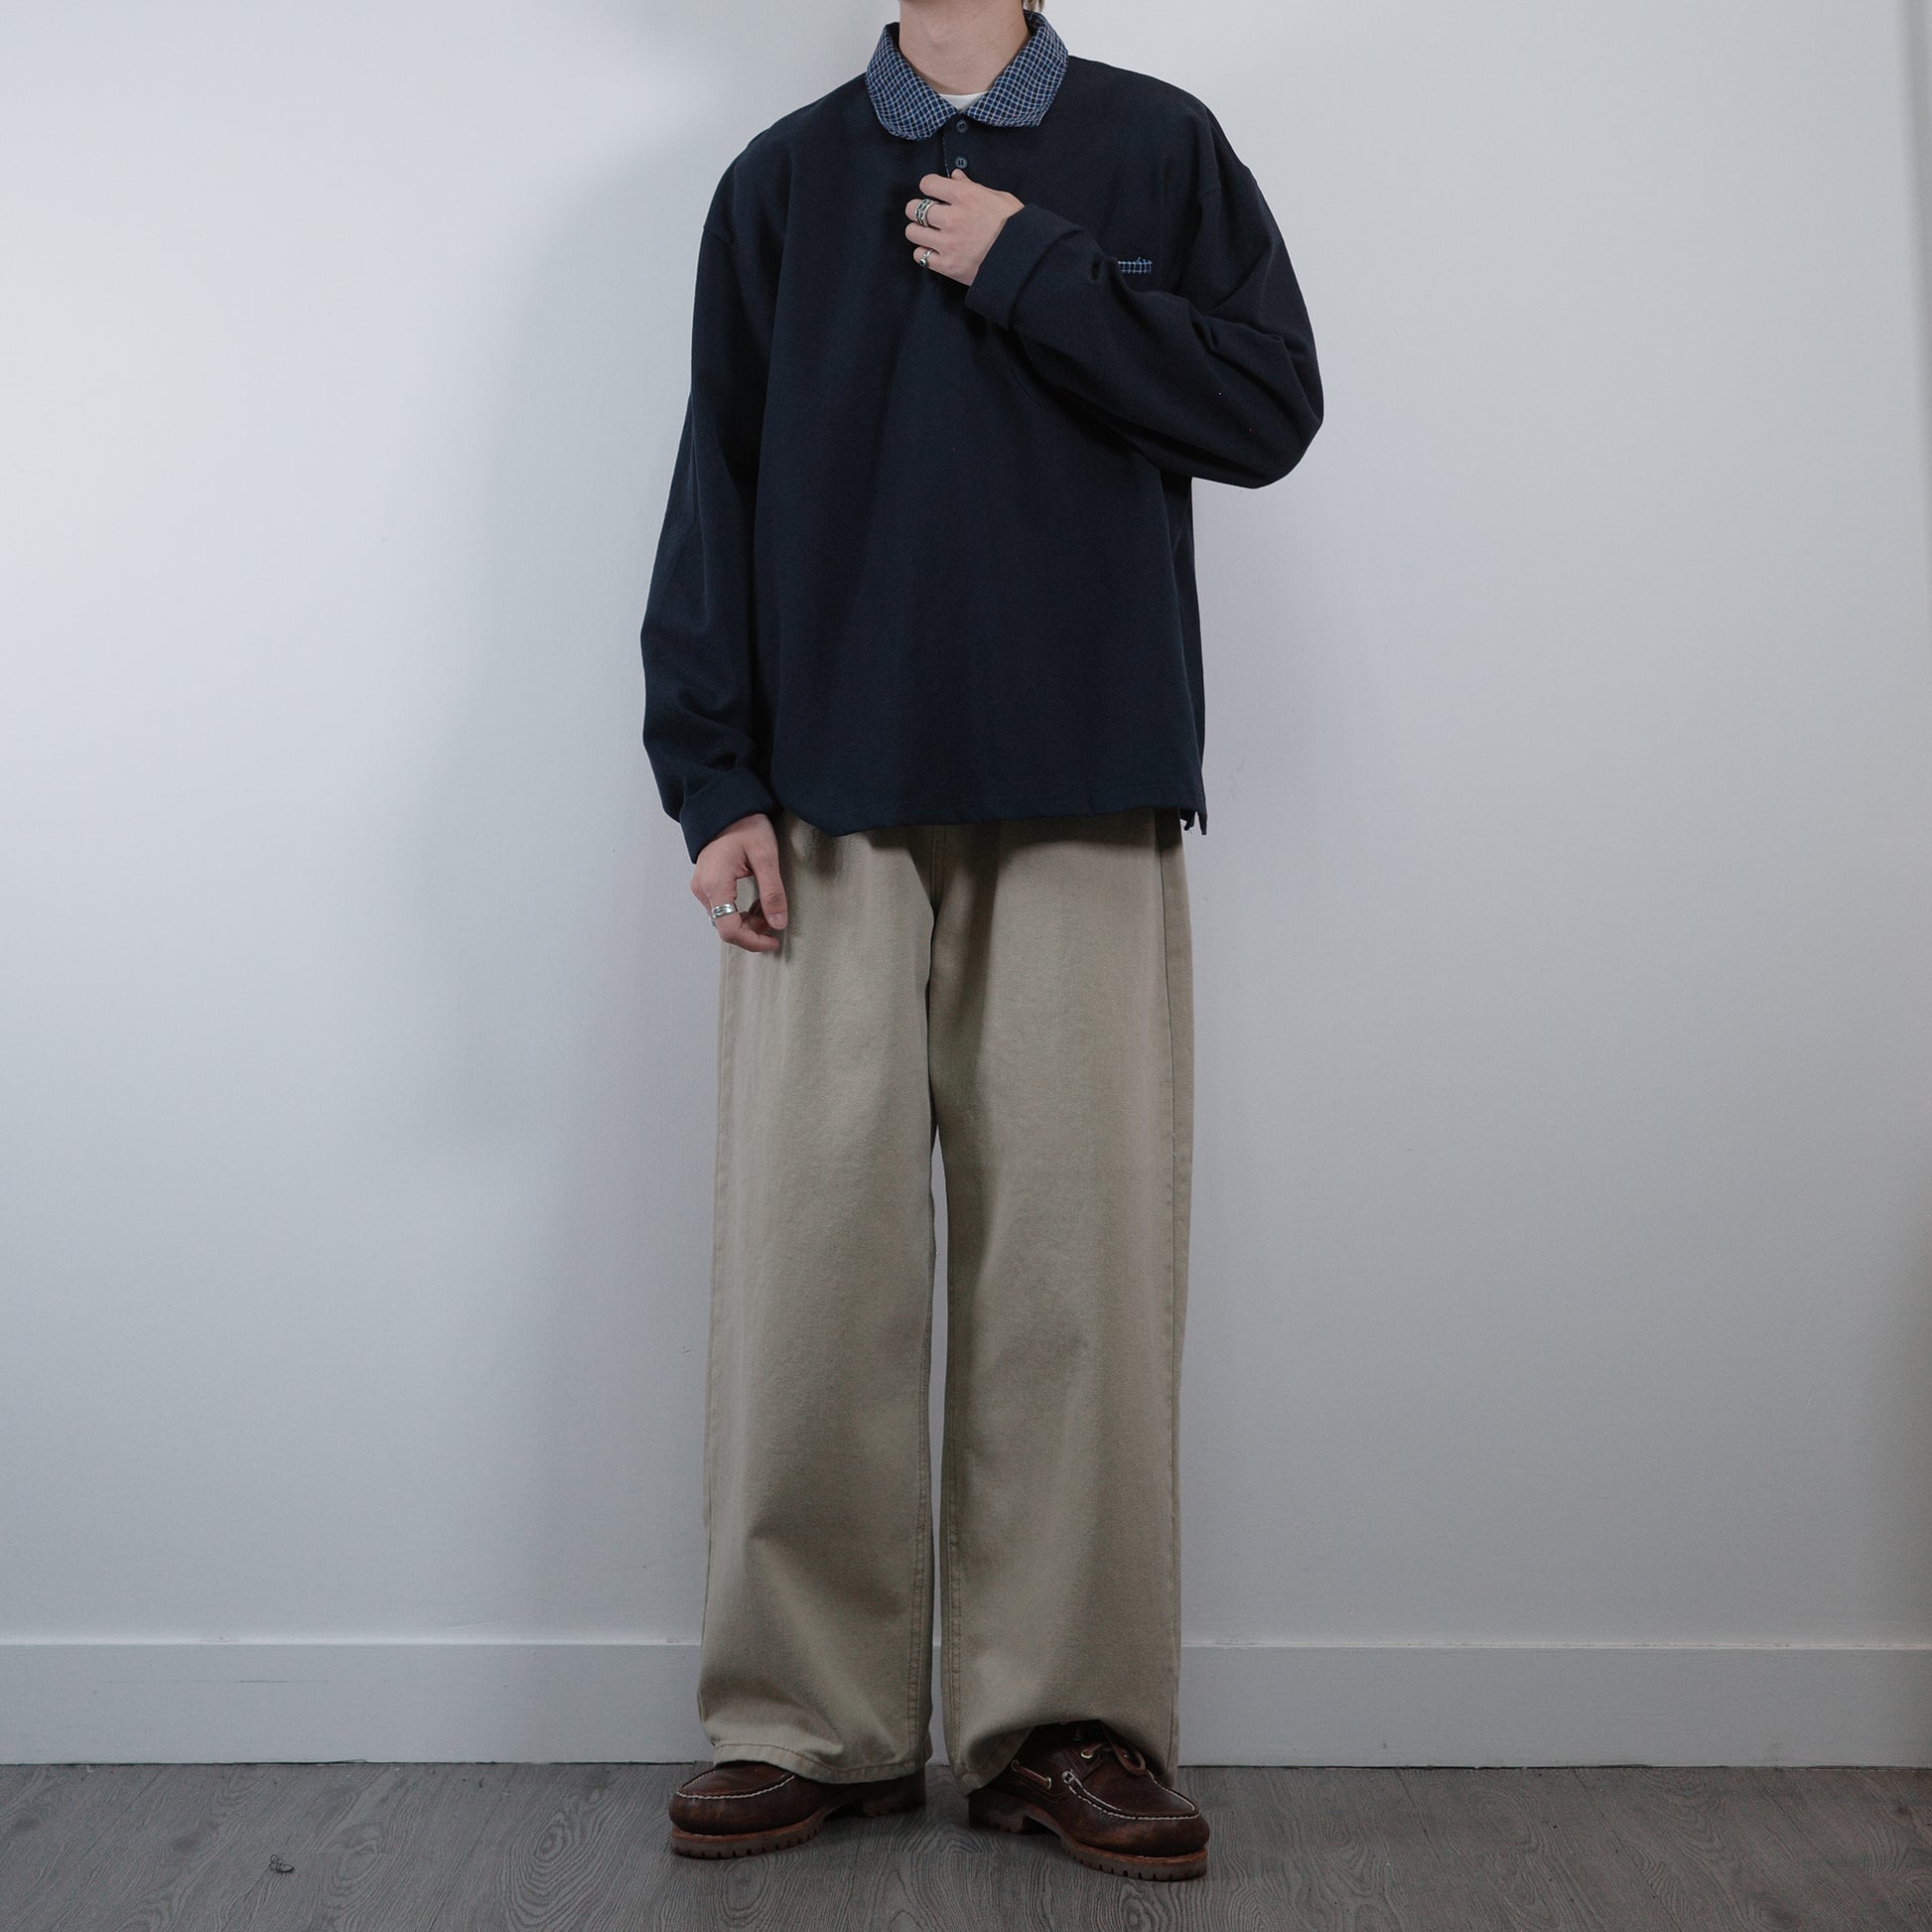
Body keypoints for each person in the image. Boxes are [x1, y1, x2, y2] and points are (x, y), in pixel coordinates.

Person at [638, 0, 1320, 1883]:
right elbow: (717, 480)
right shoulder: (782, 181)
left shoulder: (1153, 148)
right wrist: (710, 776)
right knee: (810, 1268)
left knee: (1077, 1272)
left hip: (1083, 771)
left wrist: (1032, 268)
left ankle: (1064, 1726)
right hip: (825, 793)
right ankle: (811, 1722)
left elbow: (1266, 411)